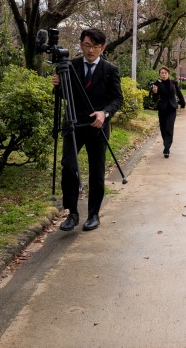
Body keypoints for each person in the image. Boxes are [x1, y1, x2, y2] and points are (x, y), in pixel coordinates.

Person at [52, 28, 123, 232]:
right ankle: (72, 213)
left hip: (97, 127)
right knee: (69, 166)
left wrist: (105, 113)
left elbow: (117, 99)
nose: (90, 50)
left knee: (96, 172)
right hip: (74, 125)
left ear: (103, 47)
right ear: (81, 44)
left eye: (95, 46)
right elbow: (65, 96)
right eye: (86, 45)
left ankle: (93, 214)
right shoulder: (70, 66)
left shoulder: (110, 70)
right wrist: (58, 86)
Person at [151, 66, 186, 158]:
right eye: (162, 73)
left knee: (169, 127)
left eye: (165, 73)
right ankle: (166, 143)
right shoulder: (157, 84)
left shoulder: (173, 83)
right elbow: (154, 99)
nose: (164, 74)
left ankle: (167, 148)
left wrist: (182, 103)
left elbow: (179, 93)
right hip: (162, 108)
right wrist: (154, 92)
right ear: (159, 74)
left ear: (168, 74)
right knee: (163, 128)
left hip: (172, 108)